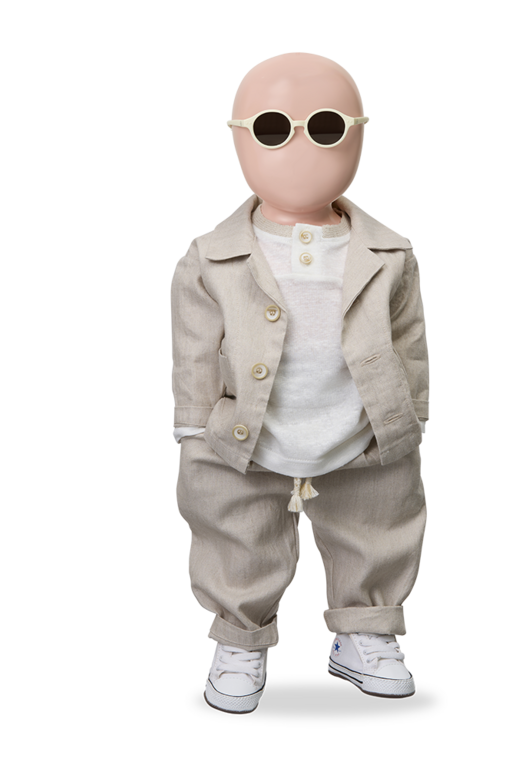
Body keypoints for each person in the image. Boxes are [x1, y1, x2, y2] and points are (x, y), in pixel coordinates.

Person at [170, 51, 431, 714]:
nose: (299, 145)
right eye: (269, 128)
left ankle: (364, 629)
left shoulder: (391, 253)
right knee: (236, 532)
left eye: (325, 126)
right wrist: (194, 426)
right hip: (242, 432)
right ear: (237, 140)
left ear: (359, 136)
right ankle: (240, 636)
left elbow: (411, 343)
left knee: (378, 524)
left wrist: (412, 416)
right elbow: (193, 350)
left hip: (361, 426)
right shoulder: (208, 257)